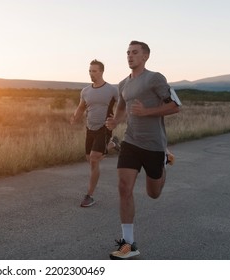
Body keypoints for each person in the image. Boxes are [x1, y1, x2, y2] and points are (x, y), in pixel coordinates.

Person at [105, 41, 181, 259]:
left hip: (154, 144)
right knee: (123, 187)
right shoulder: (123, 84)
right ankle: (129, 244)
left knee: (153, 193)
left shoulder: (155, 78)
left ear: (145, 56)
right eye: (128, 53)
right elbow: (121, 109)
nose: (130, 56)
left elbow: (176, 106)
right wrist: (114, 122)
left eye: (135, 53)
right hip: (131, 142)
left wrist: (147, 111)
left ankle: (164, 162)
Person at [70, 59, 120, 207]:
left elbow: (122, 106)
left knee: (93, 158)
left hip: (104, 128)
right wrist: (75, 117)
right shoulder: (85, 91)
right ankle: (112, 144)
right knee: (90, 160)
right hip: (89, 129)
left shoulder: (111, 90)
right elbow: (81, 107)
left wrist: (116, 119)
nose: (91, 73)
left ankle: (89, 196)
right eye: (90, 71)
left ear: (102, 72)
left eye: (94, 71)